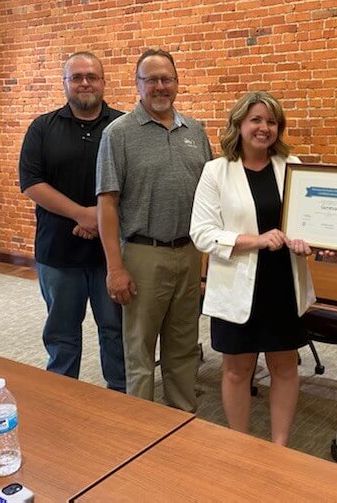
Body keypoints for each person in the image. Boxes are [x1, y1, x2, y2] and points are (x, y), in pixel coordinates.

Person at [190, 91, 315, 446]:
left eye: (272, 121)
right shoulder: (216, 171)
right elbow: (202, 233)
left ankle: (279, 446)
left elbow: (307, 222)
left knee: (285, 367)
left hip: (282, 283)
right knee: (236, 370)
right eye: (256, 120)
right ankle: (241, 446)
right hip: (236, 284)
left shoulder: (293, 164)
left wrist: (309, 240)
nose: (264, 128)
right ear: (239, 124)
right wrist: (256, 240)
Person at [96, 48, 212, 412]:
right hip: (144, 254)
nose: (160, 87)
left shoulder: (195, 130)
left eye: (167, 79)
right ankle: (140, 428)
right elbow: (108, 204)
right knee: (140, 348)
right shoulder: (119, 134)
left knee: (184, 342)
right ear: (137, 85)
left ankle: (181, 418)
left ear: (177, 83)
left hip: (189, 252)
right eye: (152, 80)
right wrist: (115, 268)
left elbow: (210, 194)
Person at [19, 51, 126, 392]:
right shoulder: (42, 128)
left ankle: (123, 398)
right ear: (64, 83)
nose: (84, 83)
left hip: (112, 256)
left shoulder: (124, 127)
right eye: (76, 77)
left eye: (92, 76)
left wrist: (100, 219)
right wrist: (82, 215)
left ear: (103, 82)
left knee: (116, 331)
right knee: (62, 334)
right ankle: (62, 400)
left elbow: (136, 183)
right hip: (58, 253)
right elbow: (32, 183)